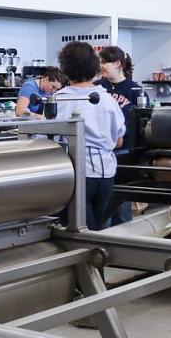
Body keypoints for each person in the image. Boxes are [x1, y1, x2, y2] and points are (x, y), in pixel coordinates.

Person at [55, 41, 125, 231]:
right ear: (95, 66)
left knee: (81, 233)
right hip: (107, 174)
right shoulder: (108, 99)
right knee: (98, 229)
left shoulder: (61, 99)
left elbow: (46, 141)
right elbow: (119, 141)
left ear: (65, 68)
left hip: (77, 173)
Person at [96, 46, 140, 226]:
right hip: (102, 152)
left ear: (117, 63)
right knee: (104, 205)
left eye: (104, 62)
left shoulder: (134, 89)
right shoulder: (98, 88)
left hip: (124, 152)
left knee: (121, 205)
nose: (100, 66)